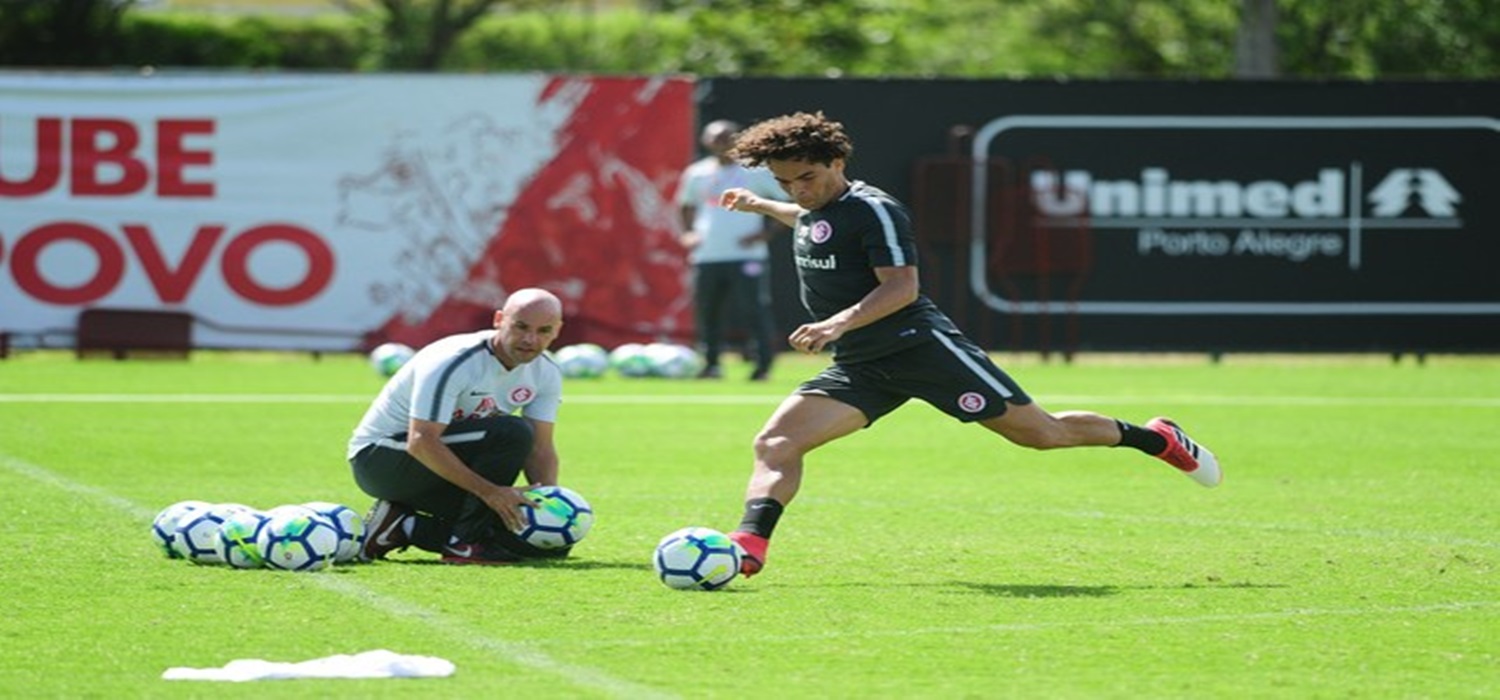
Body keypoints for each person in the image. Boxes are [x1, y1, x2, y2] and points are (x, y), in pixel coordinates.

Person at [716, 112, 1222, 578]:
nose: (798, 190)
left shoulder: (876, 211)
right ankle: (748, 544)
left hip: (922, 348)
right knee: (776, 443)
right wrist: (762, 204)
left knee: (1042, 434)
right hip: (862, 365)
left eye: (807, 178)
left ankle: (1158, 439)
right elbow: (807, 220)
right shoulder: (812, 208)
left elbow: (902, 287)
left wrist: (835, 324)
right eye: (784, 181)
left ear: (837, 162)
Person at [349, 287, 570, 565]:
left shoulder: (546, 372)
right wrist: (491, 493)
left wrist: (549, 507)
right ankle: (464, 542)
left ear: (557, 331)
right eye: (521, 326)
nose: (530, 339)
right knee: (510, 432)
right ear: (499, 319)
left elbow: (541, 449)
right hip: (381, 461)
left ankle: (402, 526)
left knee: (541, 545)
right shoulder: (454, 360)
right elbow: (421, 440)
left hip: (437, 465)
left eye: (543, 331)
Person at [676, 119, 787, 381]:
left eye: (726, 137)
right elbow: (685, 205)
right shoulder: (697, 172)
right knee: (708, 310)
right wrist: (689, 234)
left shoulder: (754, 171)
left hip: (746, 255)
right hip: (708, 254)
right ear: (706, 141)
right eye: (715, 138)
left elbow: (784, 202)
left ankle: (762, 365)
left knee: (754, 309)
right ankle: (711, 364)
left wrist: (765, 233)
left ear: (736, 139)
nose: (721, 143)